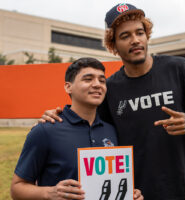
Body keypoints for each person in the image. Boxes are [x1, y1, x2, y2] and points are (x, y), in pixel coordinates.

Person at [38, 3, 185, 200]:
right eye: (125, 36)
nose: (135, 40)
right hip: (134, 194)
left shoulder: (178, 68)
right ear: (113, 45)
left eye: (139, 32)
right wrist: (56, 117)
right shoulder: (111, 88)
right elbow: (91, 128)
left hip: (184, 190)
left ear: (146, 35)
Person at [11, 57, 143, 200]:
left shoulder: (112, 130)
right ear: (68, 87)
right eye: (88, 79)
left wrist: (129, 194)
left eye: (102, 80)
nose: (97, 85)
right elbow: (16, 189)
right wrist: (49, 193)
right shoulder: (45, 130)